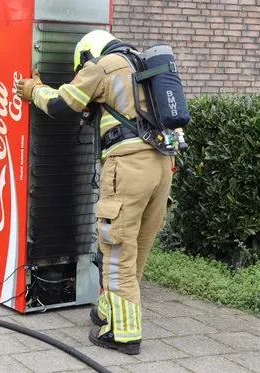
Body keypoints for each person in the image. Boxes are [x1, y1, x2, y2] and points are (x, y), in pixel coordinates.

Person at [14, 29, 173, 355]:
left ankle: (124, 334)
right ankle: (109, 310)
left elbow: (61, 105)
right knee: (136, 248)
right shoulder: (141, 66)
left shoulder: (102, 66)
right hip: (162, 166)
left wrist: (33, 89)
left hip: (128, 167)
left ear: (87, 54)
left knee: (116, 250)